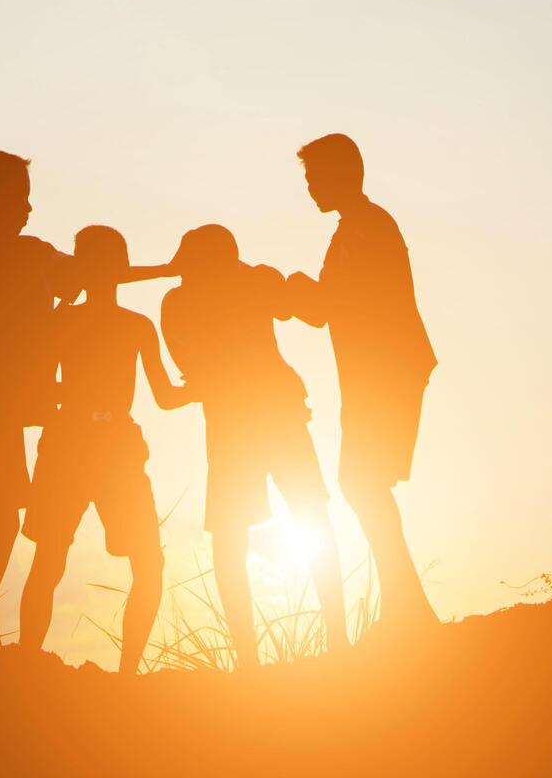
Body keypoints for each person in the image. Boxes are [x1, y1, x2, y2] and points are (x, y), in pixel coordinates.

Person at [0, 151, 174, 643]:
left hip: (7, 406)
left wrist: (170, 268)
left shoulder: (35, 254)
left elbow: (99, 272)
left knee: (0, 527)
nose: (28, 208)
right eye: (20, 197)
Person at [160, 224, 347, 670]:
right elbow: (194, 364)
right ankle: (257, 656)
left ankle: (328, 643)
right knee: (239, 534)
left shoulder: (211, 291)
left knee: (301, 518)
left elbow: (298, 307)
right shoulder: (187, 299)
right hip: (243, 422)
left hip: (263, 417)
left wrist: (268, 283)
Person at [19, 225, 191, 674]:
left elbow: (36, 387)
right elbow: (168, 396)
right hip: (89, 446)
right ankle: (117, 675)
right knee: (78, 561)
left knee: (54, 561)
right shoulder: (128, 325)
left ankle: (37, 666)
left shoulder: (84, 322)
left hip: (95, 447)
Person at [286, 133, 437, 631]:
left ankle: (407, 608)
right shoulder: (358, 228)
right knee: (364, 481)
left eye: (314, 178)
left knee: (361, 481)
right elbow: (324, 306)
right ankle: (406, 606)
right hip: (375, 372)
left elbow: (327, 305)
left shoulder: (365, 229)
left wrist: (288, 289)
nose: (309, 188)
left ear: (340, 175)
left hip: (385, 371)